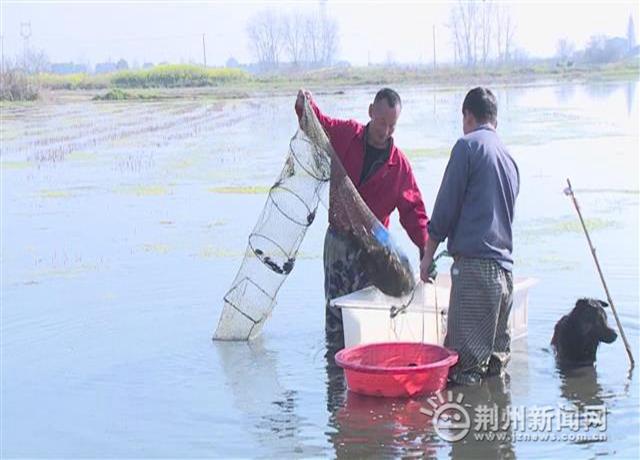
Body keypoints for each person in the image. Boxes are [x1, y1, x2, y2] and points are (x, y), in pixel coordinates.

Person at [295, 88, 429, 348]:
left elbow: (414, 212)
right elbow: (317, 123)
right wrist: (304, 105)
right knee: (336, 316)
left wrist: (426, 248)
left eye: (392, 126)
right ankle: (336, 372)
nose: (386, 131)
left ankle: (366, 367)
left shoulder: (399, 166)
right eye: (381, 123)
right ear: (371, 112)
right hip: (338, 244)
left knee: (368, 317)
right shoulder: (347, 135)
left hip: (373, 252)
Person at [420, 87, 520, 385]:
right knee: (495, 368)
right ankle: (497, 428)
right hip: (505, 274)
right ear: (495, 119)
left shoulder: (467, 147)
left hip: (476, 272)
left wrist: (428, 255)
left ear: (467, 115)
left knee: (464, 370)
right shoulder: (509, 158)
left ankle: (467, 430)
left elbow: (446, 206)